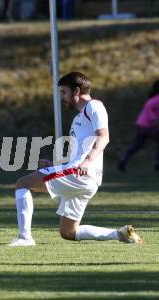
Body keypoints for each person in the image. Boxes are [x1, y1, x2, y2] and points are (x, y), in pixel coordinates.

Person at [9, 71, 143, 247]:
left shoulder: (94, 106)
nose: (62, 97)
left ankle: (25, 238)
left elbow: (104, 137)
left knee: (23, 183)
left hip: (81, 174)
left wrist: (87, 161)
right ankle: (120, 234)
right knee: (68, 232)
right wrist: (55, 166)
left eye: (64, 92)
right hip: (82, 176)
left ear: (76, 91)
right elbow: (77, 155)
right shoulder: (79, 117)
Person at [118, 80, 159, 172]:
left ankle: (123, 161)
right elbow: (148, 107)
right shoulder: (157, 98)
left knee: (137, 145)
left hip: (141, 125)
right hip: (148, 126)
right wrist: (153, 119)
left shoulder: (154, 98)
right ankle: (157, 163)